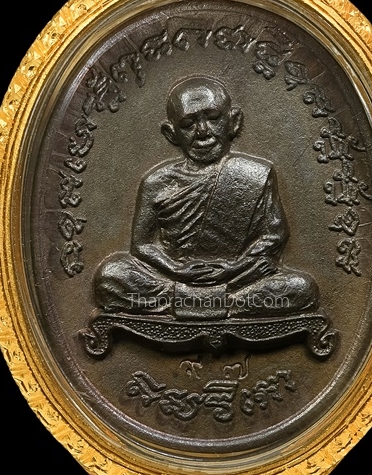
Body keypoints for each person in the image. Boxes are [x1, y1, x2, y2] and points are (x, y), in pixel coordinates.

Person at [94, 77, 319, 319]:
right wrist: (176, 269)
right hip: (174, 279)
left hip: (239, 279)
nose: (202, 132)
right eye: (188, 124)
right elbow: (142, 245)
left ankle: (193, 303)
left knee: (301, 287)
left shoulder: (255, 174)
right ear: (171, 133)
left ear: (233, 122)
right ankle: (221, 304)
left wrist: (235, 268)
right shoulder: (156, 182)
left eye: (213, 118)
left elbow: (274, 237)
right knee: (110, 275)